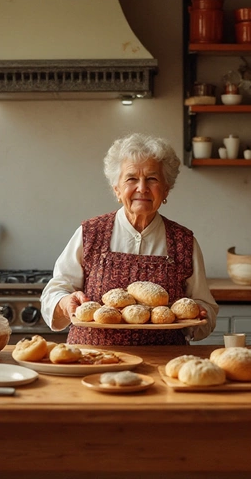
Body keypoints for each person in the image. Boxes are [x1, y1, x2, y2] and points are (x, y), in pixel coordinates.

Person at [40, 132, 219, 346]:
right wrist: (64, 302)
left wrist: (198, 315)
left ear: (166, 190)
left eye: (152, 179)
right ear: (117, 189)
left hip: (164, 363)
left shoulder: (184, 241)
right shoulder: (90, 233)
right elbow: (56, 289)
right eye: (132, 178)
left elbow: (205, 306)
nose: (142, 188)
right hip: (92, 358)